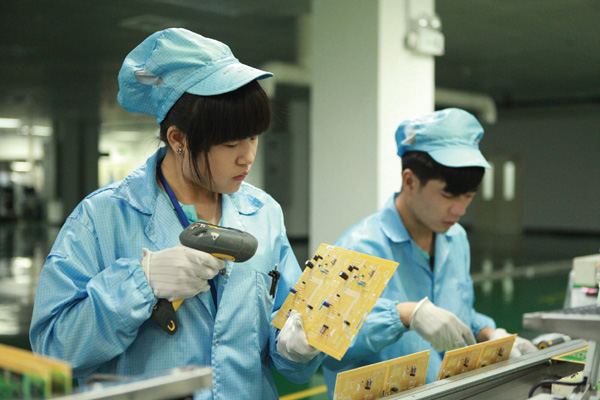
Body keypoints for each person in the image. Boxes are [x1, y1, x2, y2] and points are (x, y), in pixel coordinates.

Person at [29, 28, 323, 400]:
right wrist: (141, 283)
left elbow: (285, 347)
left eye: (253, 137)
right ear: (178, 139)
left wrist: (296, 348)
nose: (248, 157)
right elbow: (53, 351)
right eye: (230, 143)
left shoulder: (263, 213)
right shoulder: (102, 217)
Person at [322, 108, 536, 397]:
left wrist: (490, 335)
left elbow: (457, 313)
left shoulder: (455, 239)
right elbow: (324, 345)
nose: (460, 210)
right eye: (448, 195)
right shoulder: (357, 247)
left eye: (468, 197)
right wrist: (402, 315)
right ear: (410, 181)